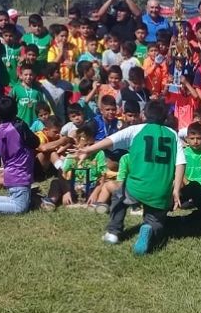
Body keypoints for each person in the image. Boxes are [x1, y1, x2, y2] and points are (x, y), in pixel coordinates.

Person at [77, 100, 185, 255]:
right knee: (157, 222)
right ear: (165, 117)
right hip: (161, 191)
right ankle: (148, 227)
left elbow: (110, 140)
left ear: (144, 114)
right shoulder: (173, 134)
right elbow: (181, 163)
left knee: (118, 196)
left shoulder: (137, 129)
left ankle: (113, 232)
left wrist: (88, 149)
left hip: (136, 187)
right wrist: (175, 189)